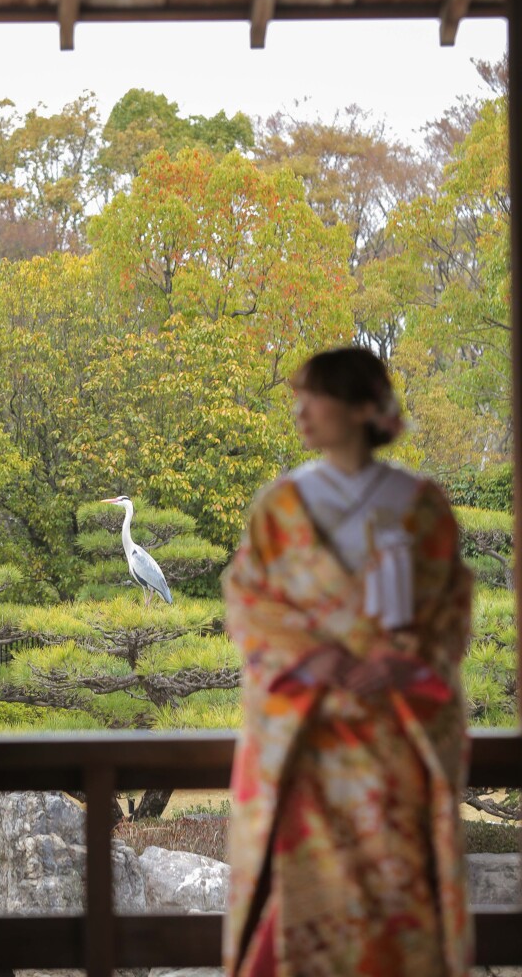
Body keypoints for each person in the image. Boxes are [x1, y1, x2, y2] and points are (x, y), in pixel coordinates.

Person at [223, 346, 472, 977]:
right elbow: (249, 603)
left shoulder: (422, 507)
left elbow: (449, 612)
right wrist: (315, 659)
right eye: (299, 397)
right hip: (311, 738)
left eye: (317, 395)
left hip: (395, 733)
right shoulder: (279, 507)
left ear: (364, 406)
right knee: (311, 891)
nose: (302, 410)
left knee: (396, 888)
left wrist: (403, 666)